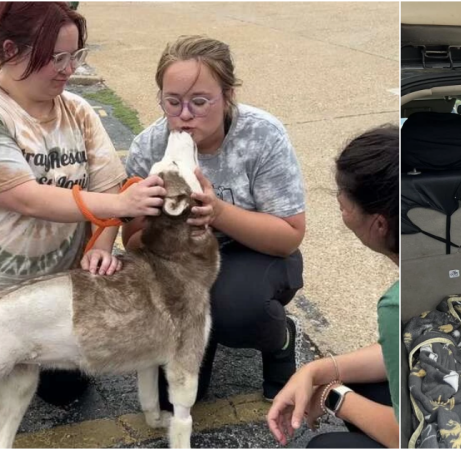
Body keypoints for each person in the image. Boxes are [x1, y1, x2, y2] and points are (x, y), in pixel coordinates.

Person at [122, 35, 306, 406]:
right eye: (172, 102)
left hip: (253, 253)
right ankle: (201, 338)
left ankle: (280, 339)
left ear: (228, 95)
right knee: (172, 401)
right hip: (180, 263)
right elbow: (132, 242)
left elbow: (289, 236)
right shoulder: (149, 147)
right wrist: (162, 221)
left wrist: (218, 212)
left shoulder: (261, 135)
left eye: (200, 102)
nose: (184, 115)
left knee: (236, 308)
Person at [0, 2, 166, 406]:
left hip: (59, 294)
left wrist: (102, 246)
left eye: (75, 56)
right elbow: (23, 195)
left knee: (67, 391)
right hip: (5, 292)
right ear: (9, 51)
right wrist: (118, 204)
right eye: (56, 58)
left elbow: (110, 189)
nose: (68, 69)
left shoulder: (77, 110)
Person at [267, 125, 399, 449]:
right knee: (365, 385)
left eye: (344, 197)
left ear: (379, 223)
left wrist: (331, 393)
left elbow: (409, 435)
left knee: (324, 446)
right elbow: (399, 350)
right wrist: (319, 370)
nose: (338, 199)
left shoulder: (395, 303)